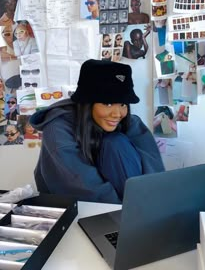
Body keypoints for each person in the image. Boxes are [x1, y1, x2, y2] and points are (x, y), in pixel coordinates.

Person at [30, 59, 165, 203]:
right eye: (107, 103)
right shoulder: (58, 128)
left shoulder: (130, 121)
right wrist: (125, 214)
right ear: (88, 103)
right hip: (76, 205)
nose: (117, 113)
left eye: (123, 104)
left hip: (127, 205)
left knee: (116, 142)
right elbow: (80, 182)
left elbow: (153, 167)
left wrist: (152, 205)